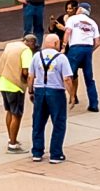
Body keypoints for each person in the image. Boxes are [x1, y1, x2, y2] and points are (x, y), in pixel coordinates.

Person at [28, 31, 72, 163]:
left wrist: (31, 91)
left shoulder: (37, 56)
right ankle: (55, 154)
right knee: (58, 122)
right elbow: (67, 79)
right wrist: (72, 95)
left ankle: (37, 152)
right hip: (56, 92)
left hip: (40, 91)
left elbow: (31, 76)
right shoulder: (61, 58)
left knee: (38, 122)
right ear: (56, 43)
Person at [0, 36, 33, 152]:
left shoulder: (10, 45)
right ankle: (12, 144)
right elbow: (25, 71)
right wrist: (30, 86)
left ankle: (11, 138)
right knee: (17, 114)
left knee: (9, 112)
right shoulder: (26, 51)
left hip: (4, 82)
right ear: (31, 43)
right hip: (15, 86)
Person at [64, 0, 100, 111]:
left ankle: (71, 97)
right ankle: (94, 104)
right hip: (88, 48)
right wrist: (90, 51)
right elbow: (98, 42)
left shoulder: (72, 19)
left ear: (80, 9)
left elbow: (67, 32)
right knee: (89, 78)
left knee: (67, 75)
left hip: (75, 48)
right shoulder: (93, 22)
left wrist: (63, 46)